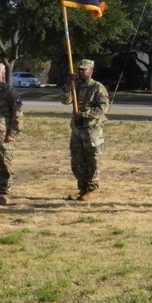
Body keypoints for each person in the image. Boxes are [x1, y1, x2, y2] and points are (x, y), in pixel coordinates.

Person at [60, 59, 109, 202]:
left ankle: (92, 189)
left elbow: (103, 108)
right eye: (79, 69)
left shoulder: (98, 88)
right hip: (77, 129)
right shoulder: (76, 86)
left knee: (92, 160)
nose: (81, 72)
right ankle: (82, 188)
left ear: (91, 71)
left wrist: (85, 114)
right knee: (77, 160)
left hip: (91, 130)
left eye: (84, 69)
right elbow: (64, 100)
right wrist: (69, 84)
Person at [0, 62, 22, 206]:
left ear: (2, 74)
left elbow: (18, 112)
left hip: (2, 134)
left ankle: (4, 192)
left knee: (4, 163)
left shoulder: (9, 91)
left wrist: (13, 132)